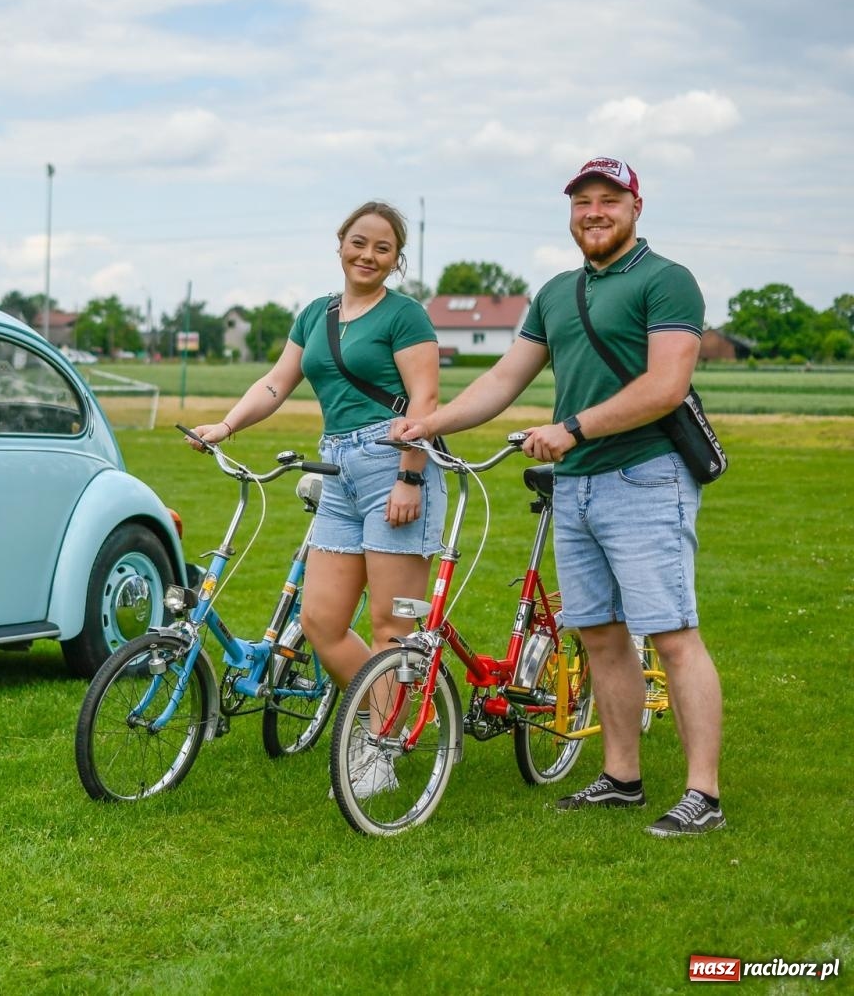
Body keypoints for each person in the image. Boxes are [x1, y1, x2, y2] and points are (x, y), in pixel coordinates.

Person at [391, 157, 724, 836]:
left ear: (635, 207)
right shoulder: (556, 292)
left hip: (645, 476)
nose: (594, 212)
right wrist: (432, 422)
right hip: (576, 487)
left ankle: (703, 795)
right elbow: (505, 379)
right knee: (599, 636)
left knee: (673, 634)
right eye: (582, 203)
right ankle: (621, 778)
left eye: (608, 200)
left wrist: (571, 428)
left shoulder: (667, 282)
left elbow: (665, 387)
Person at [188, 200, 445, 799]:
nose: (368, 255)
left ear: (396, 259)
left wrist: (410, 475)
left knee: (390, 624)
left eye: (383, 248)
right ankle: (385, 713)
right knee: (321, 621)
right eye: (359, 242)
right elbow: (277, 382)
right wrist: (226, 426)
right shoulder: (315, 315)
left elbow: (425, 400)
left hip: (392, 461)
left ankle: (381, 748)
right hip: (336, 467)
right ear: (340, 245)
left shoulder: (405, 317)